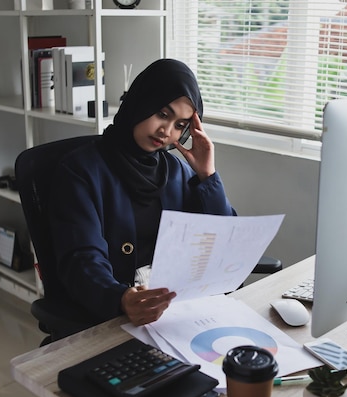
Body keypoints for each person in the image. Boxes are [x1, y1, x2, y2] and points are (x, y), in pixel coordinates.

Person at [48, 59, 236, 328]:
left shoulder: (176, 171)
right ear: (140, 102)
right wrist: (120, 298)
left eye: (180, 125)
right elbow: (81, 259)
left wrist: (207, 175)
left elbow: (221, 241)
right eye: (162, 113)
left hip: (176, 311)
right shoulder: (81, 171)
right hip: (116, 314)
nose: (166, 132)